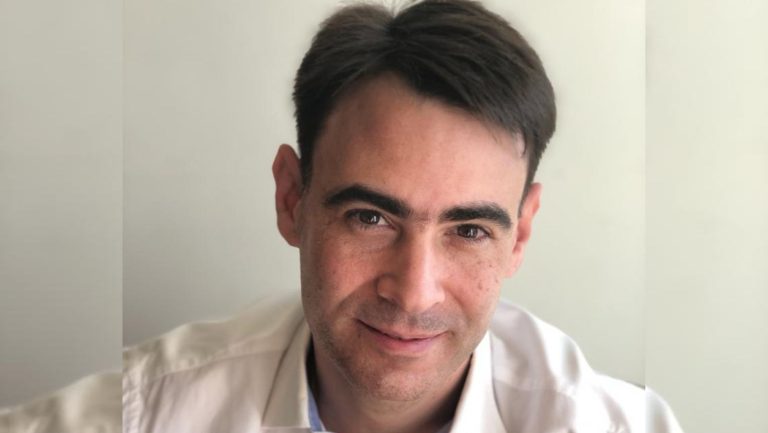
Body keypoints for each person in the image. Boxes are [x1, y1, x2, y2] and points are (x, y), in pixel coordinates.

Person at [2, 1, 683, 432]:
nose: (414, 293)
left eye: (469, 231)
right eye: (370, 218)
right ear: (292, 198)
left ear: (521, 234)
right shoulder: (148, 412)